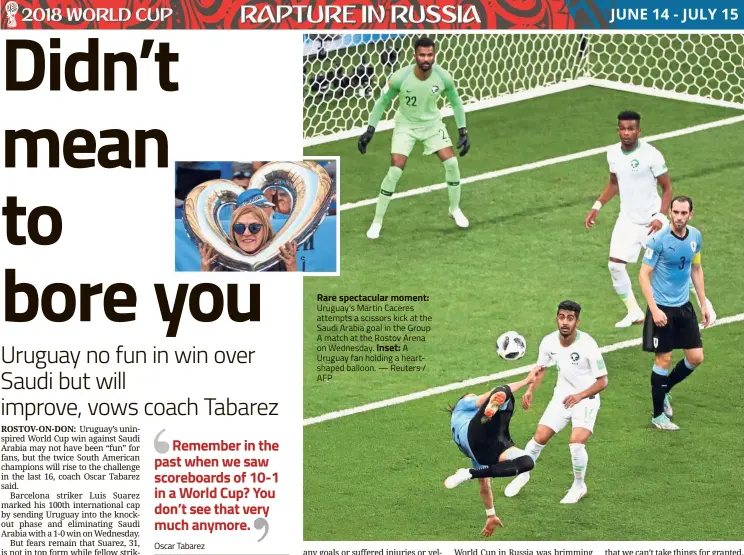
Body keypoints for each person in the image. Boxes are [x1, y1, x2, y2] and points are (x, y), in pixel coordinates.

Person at [584, 111, 717, 328]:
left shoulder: (652, 155)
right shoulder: (613, 154)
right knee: (615, 266)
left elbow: (667, 188)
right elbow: (614, 183)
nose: (627, 133)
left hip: (653, 221)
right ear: (618, 130)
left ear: (638, 131)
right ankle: (634, 311)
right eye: (623, 129)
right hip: (627, 220)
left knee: (676, 265)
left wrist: (659, 216)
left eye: (631, 129)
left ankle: (706, 305)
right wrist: (597, 205)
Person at [358, 36, 470, 240]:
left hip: (432, 125)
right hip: (406, 126)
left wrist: (463, 130)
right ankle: (377, 221)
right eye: (422, 55)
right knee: (395, 170)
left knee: (452, 163)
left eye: (429, 55)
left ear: (434, 55)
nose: (426, 59)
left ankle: (454, 209)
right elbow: (382, 102)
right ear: (415, 56)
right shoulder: (400, 77)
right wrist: (370, 130)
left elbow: (456, 102)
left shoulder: (443, 77)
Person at [504, 301, 608, 504]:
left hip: (586, 399)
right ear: (557, 318)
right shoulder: (549, 342)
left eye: (570, 318)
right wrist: (530, 390)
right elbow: (541, 368)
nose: (565, 322)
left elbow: (603, 381)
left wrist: (579, 396)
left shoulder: (588, 345)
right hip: (562, 397)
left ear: (577, 321)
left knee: (576, 443)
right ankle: (523, 473)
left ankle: (579, 486)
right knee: (538, 438)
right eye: (562, 317)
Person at [639, 196, 710, 431]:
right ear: (670, 212)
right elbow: (643, 275)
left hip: (684, 306)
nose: (679, 217)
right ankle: (658, 415)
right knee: (664, 358)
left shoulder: (695, 237)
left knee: (696, 357)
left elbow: (696, 269)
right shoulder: (658, 240)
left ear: (691, 214)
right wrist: (654, 309)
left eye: (683, 213)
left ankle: (664, 388)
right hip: (661, 308)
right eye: (675, 212)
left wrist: (703, 303)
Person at [444, 369, 539, 536]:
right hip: (476, 436)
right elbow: (483, 398)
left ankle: (469, 473)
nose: (473, 397)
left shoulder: (461, 429)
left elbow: (484, 486)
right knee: (501, 391)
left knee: (527, 462)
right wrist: (526, 381)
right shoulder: (462, 406)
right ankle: (495, 407)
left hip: (489, 451)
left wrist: (491, 515)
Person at [199, 204, 297, 272]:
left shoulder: (281, 261)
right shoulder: (222, 264)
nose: (246, 233)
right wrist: (206, 271)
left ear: (265, 230)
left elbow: (306, 300)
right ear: (233, 232)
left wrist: (291, 268)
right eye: (239, 228)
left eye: (254, 227)